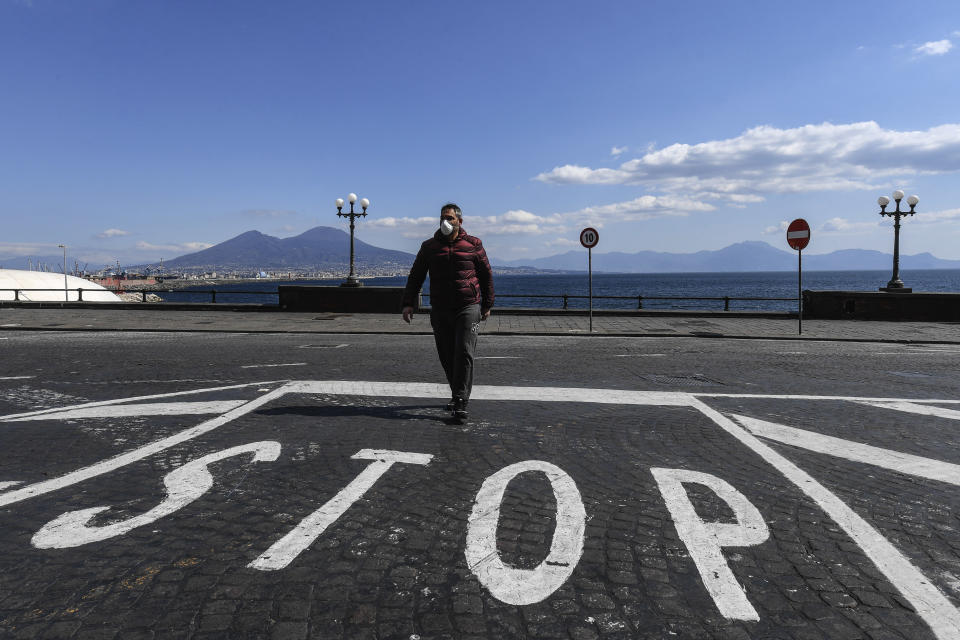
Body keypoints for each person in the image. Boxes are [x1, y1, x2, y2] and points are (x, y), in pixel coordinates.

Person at [401, 203, 494, 421]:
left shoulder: (474, 244)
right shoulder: (429, 247)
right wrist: (408, 303)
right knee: (446, 354)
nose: (446, 222)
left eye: (450, 218)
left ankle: (461, 401)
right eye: (443, 217)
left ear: (460, 221)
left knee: (463, 351)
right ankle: (456, 392)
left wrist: (487, 305)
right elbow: (416, 276)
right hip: (440, 307)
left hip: (468, 305)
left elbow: (486, 275)